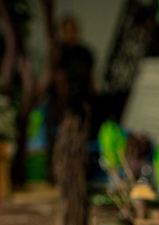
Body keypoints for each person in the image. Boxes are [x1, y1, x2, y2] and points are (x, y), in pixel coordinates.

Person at [46, 15, 95, 184]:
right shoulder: (59, 53)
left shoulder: (85, 53)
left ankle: (81, 174)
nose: (71, 34)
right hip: (62, 105)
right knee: (60, 141)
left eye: (73, 30)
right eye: (67, 30)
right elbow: (58, 79)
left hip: (81, 103)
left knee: (81, 141)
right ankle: (56, 176)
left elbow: (90, 80)